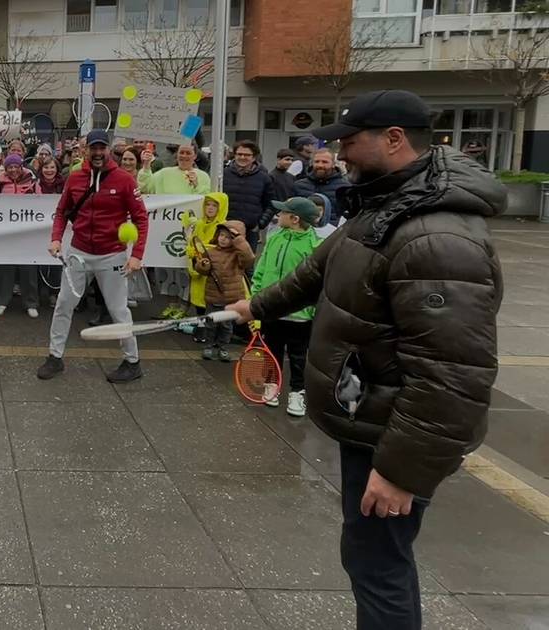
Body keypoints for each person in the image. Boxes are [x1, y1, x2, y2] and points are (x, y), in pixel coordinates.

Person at [226, 90, 505, 630]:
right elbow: (317, 271)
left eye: (350, 142)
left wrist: (401, 472)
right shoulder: (388, 204)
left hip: (394, 437)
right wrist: (256, 305)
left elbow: (452, 374)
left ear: (394, 140)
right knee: (369, 558)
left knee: (379, 566)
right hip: (370, 416)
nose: (340, 154)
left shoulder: (437, 237)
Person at [38, 130, 148, 384]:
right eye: (93, 148)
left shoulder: (124, 180)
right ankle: (55, 356)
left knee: (118, 310)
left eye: (102, 148)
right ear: (85, 150)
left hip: (112, 255)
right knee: (64, 304)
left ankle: (132, 362)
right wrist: (56, 238)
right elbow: (62, 211)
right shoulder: (75, 177)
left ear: (108, 150)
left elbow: (141, 219)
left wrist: (137, 255)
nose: (98, 153)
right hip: (79, 252)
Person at [250, 197, 321, 416]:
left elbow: (318, 283)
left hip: (300, 315)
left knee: (299, 356)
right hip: (271, 311)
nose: (278, 215)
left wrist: (312, 309)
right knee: (272, 352)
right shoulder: (274, 238)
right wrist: (256, 298)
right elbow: (261, 270)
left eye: (282, 213)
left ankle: (297, 392)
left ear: (294, 219)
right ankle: (272, 385)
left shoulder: (315, 246)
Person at [147, 142, 212, 318]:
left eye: (188, 153)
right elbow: (147, 186)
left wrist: (196, 184)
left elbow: (205, 199)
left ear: (195, 156)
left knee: (185, 269)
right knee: (166, 269)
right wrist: (145, 166)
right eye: (181, 152)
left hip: (189, 231)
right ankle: (171, 305)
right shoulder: (164, 173)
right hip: (165, 229)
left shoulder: (203, 176)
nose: (184, 156)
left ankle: (184, 307)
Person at [195, 220, 253, 361]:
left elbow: (249, 258)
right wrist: (202, 266)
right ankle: (208, 346)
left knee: (226, 326)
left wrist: (239, 240)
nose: (223, 239)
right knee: (211, 324)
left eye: (228, 237)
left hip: (232, 299)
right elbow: (203, 270)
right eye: (221, 235)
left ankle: (223, 347)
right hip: (213, 295)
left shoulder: (238, 255)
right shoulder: (211, 252)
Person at [0, 154, 40, 317]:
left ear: (21, 167)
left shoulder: (32, 182)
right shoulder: (0, 183)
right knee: (6, 267)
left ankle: (31, 303)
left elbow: (41, 203)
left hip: (27, 231)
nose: (13, 170)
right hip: (7, 231)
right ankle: (2, 301)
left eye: (16, 166)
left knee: (28, 267)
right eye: (9, 167)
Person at [182, 192, 229, 342]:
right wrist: (192, 251)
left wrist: (202, 250)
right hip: (198, 268)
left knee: (212, 302)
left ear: (221, 208)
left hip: (214, 271)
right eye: (207, 204)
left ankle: (213, 334)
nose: (210, 208)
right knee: (198, 300)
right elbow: (192, 242)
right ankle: (201, 328)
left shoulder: (224, 227)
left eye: (214, 205)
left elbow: (223, 247)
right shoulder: (199, 224)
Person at [223, 140, 274, 251]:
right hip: (225, 229)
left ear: (254, 157)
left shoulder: (264, 178)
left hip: (251, 231)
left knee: (248, 261)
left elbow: (270, 204)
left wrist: (260, 224)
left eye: (247, 155)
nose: (242, 157)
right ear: (234, 155)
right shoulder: (223, 175)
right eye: (239, 154)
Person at [291, 147, 350, 225]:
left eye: (325, 162)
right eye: (317, 161)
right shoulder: (299, 186)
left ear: (333, 164)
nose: (320, 165)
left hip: (333, 231)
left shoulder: (345, 188)